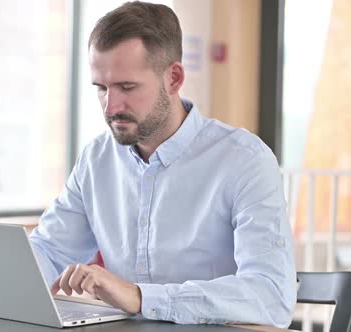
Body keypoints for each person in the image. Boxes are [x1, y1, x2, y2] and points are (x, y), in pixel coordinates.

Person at [28, 1, 296, 327]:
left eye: (127, 87)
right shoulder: (97, 159)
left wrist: (141, 297)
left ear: (174, 77)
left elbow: (271, 296)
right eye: (101, 88)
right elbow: (50, 250)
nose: (111, 106)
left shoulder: (245, 161)